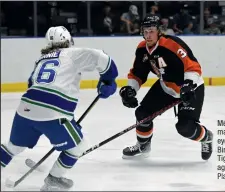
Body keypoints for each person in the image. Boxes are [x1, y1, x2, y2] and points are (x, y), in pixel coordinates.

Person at [0, 26, 118, 191]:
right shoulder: (72, 53)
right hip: (53, 112)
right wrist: (108, 79)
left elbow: (31, 84)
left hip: (25, 108)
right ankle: (54, 178)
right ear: (68, 41)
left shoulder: (41, 60)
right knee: (79, 145)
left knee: (13, 146)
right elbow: (102, 58)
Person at [119, 15, 213, 161]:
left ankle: (206, 137)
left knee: (185, 128)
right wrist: (130, 90)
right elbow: (138, 73)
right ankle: (143, 145)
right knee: (142, 114)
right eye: (145, 31)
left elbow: (192, 66)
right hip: (166, 87)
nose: (148, 35)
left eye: (152, 31)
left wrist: (188, 85)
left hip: (190, 88)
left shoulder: (172, 44)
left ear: (159, 31)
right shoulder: (142, 49)